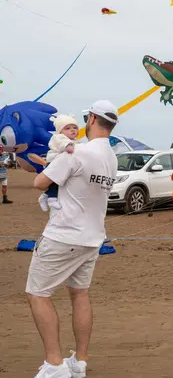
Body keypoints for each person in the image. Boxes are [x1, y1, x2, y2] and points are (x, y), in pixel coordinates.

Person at [27, 100, 119, 378]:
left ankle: (54, 365)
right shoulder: (111, 157)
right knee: (80, 294)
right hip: (92, 237)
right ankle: (79, 362)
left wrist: (46, 166)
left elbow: (39, 183)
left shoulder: (77, 152)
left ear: (91, 119)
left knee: (38, 293)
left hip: (64, 233)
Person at [38, 114, 80, 212]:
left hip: (61, 164)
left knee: (59, 183)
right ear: (60, 131)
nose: (72, 130)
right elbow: (63, 145)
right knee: (55, 182)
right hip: (53, 163)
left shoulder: (75, 141)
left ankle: (44, 196)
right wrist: (68, 147)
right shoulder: (58, 137)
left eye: (75, 128)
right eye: (68, 128)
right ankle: (51, 198)